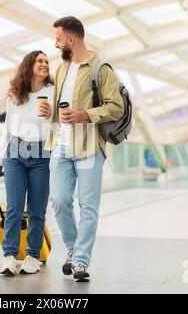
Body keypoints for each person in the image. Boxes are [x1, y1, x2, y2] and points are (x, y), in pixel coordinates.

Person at [44, 16, 125, 282]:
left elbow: (116, 107)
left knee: (88, 206)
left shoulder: (100, 69)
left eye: (58, 39)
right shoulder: (61, 69)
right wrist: (47, 111)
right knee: (59, 201)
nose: (55, 45)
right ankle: (73, 249)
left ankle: (80, 261)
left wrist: (85, 115)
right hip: (60, 145)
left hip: (89, 147)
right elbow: (57, 108)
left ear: (71, 39)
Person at [0, 50, 54, 275]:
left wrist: (50, 116)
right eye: (40, 60)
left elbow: (57, 123)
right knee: (15, 208)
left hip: (42, 154)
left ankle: (33, 256)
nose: (45, 64)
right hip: (15, 153)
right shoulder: (15, 94)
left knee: (37, 210)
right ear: (29, 65)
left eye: (47, 61)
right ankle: (9, 255)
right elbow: (7, 128)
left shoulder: (53, 92)